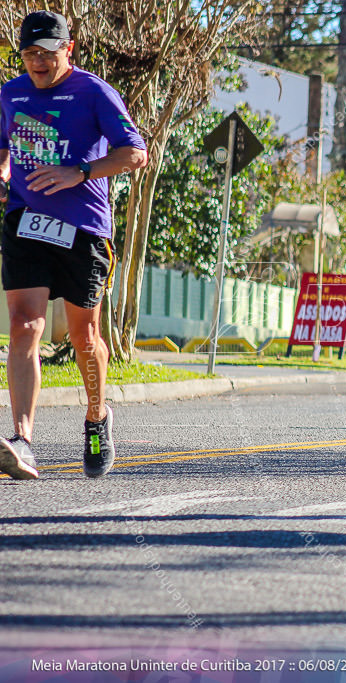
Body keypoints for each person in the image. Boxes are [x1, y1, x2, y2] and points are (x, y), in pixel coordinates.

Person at [0, 11, 147, 481]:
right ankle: (22, 439)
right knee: (25, 326)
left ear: (71, 48)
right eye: (29, 54)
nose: (38, 63)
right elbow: (3, 145)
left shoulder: (94, 92)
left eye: (47, 53)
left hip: (83, 229)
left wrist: (78, 173)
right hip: (24, 219)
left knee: (84, 337)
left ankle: (97, 417)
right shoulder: (10, 93)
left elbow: (135, 153)